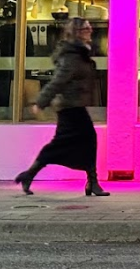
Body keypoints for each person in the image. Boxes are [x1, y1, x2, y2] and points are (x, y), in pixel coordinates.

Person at [14, 17, 110, 197]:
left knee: (82, 141)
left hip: (75, 105)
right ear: (77, 33)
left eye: (90, 29)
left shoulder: (80, 52)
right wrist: (40, 102)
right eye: (86, 29)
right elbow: (57, 81)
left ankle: (91, 182)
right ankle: (92, 182)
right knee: (75, 142)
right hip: (69, 106)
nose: (90, 32)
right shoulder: (71, 56)